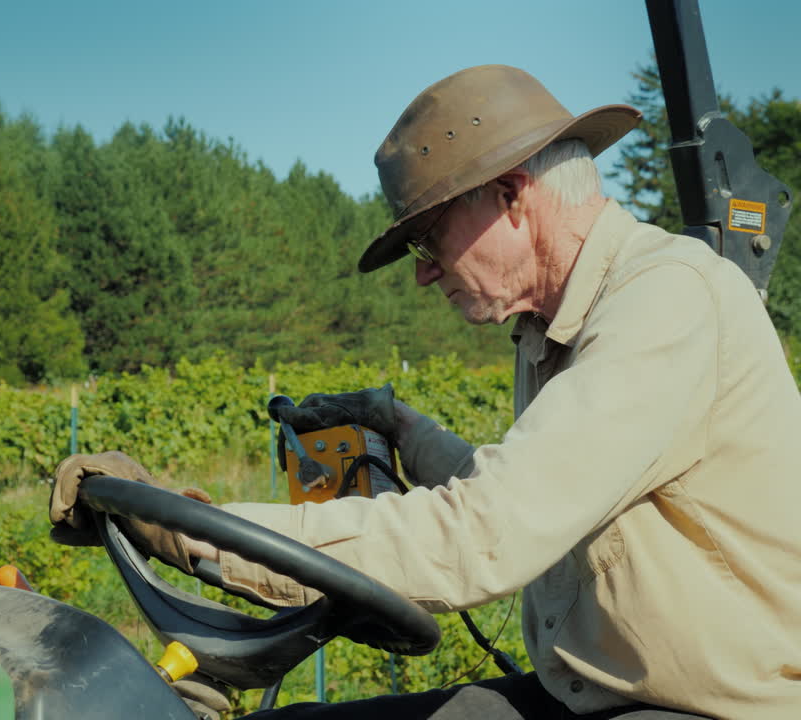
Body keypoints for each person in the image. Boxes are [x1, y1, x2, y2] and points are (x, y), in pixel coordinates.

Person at [49, 65, 801, 719]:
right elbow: (540, 500)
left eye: (429, 238)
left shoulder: (664, 303)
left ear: (511, 196)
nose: (423, 272)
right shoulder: (552, 324)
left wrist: (190, 531)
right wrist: (401, 429)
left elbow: (485, 534)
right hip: (595, 699)